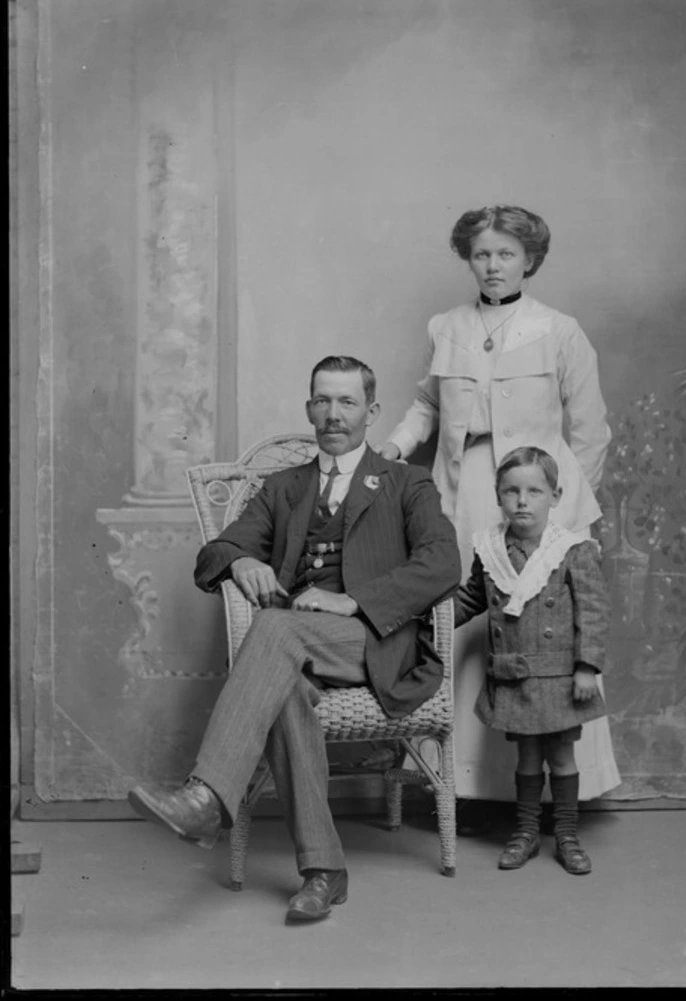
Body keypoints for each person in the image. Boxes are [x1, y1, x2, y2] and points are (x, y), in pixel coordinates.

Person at [128, 356, 462, 924]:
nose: (334, 415)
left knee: (273, 628)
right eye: (322, 401)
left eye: (347, 402)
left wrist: (352, 601)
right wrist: (240, 565)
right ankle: (325, 871)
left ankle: (208, 798)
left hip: (373, 644)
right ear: (309, 407)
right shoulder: (282, 488)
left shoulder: (408, 483)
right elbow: (215, 552)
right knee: (280, 685)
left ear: (372, 412)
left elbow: (442, 563)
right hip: (291, 646)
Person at [379, 204, 619, 824]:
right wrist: (395, 448)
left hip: (542, 496)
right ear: (468, 258)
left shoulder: (559, 330)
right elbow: (426, 407)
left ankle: (561, 796)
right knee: (471, 616)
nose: (493, 265)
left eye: (506, 254)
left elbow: (591, 431)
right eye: (482, 253)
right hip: (465, 491)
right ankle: (466, 785)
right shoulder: (447, 326)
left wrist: (561, 512)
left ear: (530, 260)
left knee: (547, 621)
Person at [453, 446, 611, 874]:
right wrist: (435, 616)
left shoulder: (573, 549)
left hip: (560, 677)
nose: (522, 501)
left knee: (561, 758)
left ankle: (566, 835)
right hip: (515, 676)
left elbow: (593, 613)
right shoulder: (490, 549)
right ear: (498, 495)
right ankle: (524, 832)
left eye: (534, 491)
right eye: (512, 491)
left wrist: (586, 667)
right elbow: (473, 597)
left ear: (554, 496)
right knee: (525, 759)